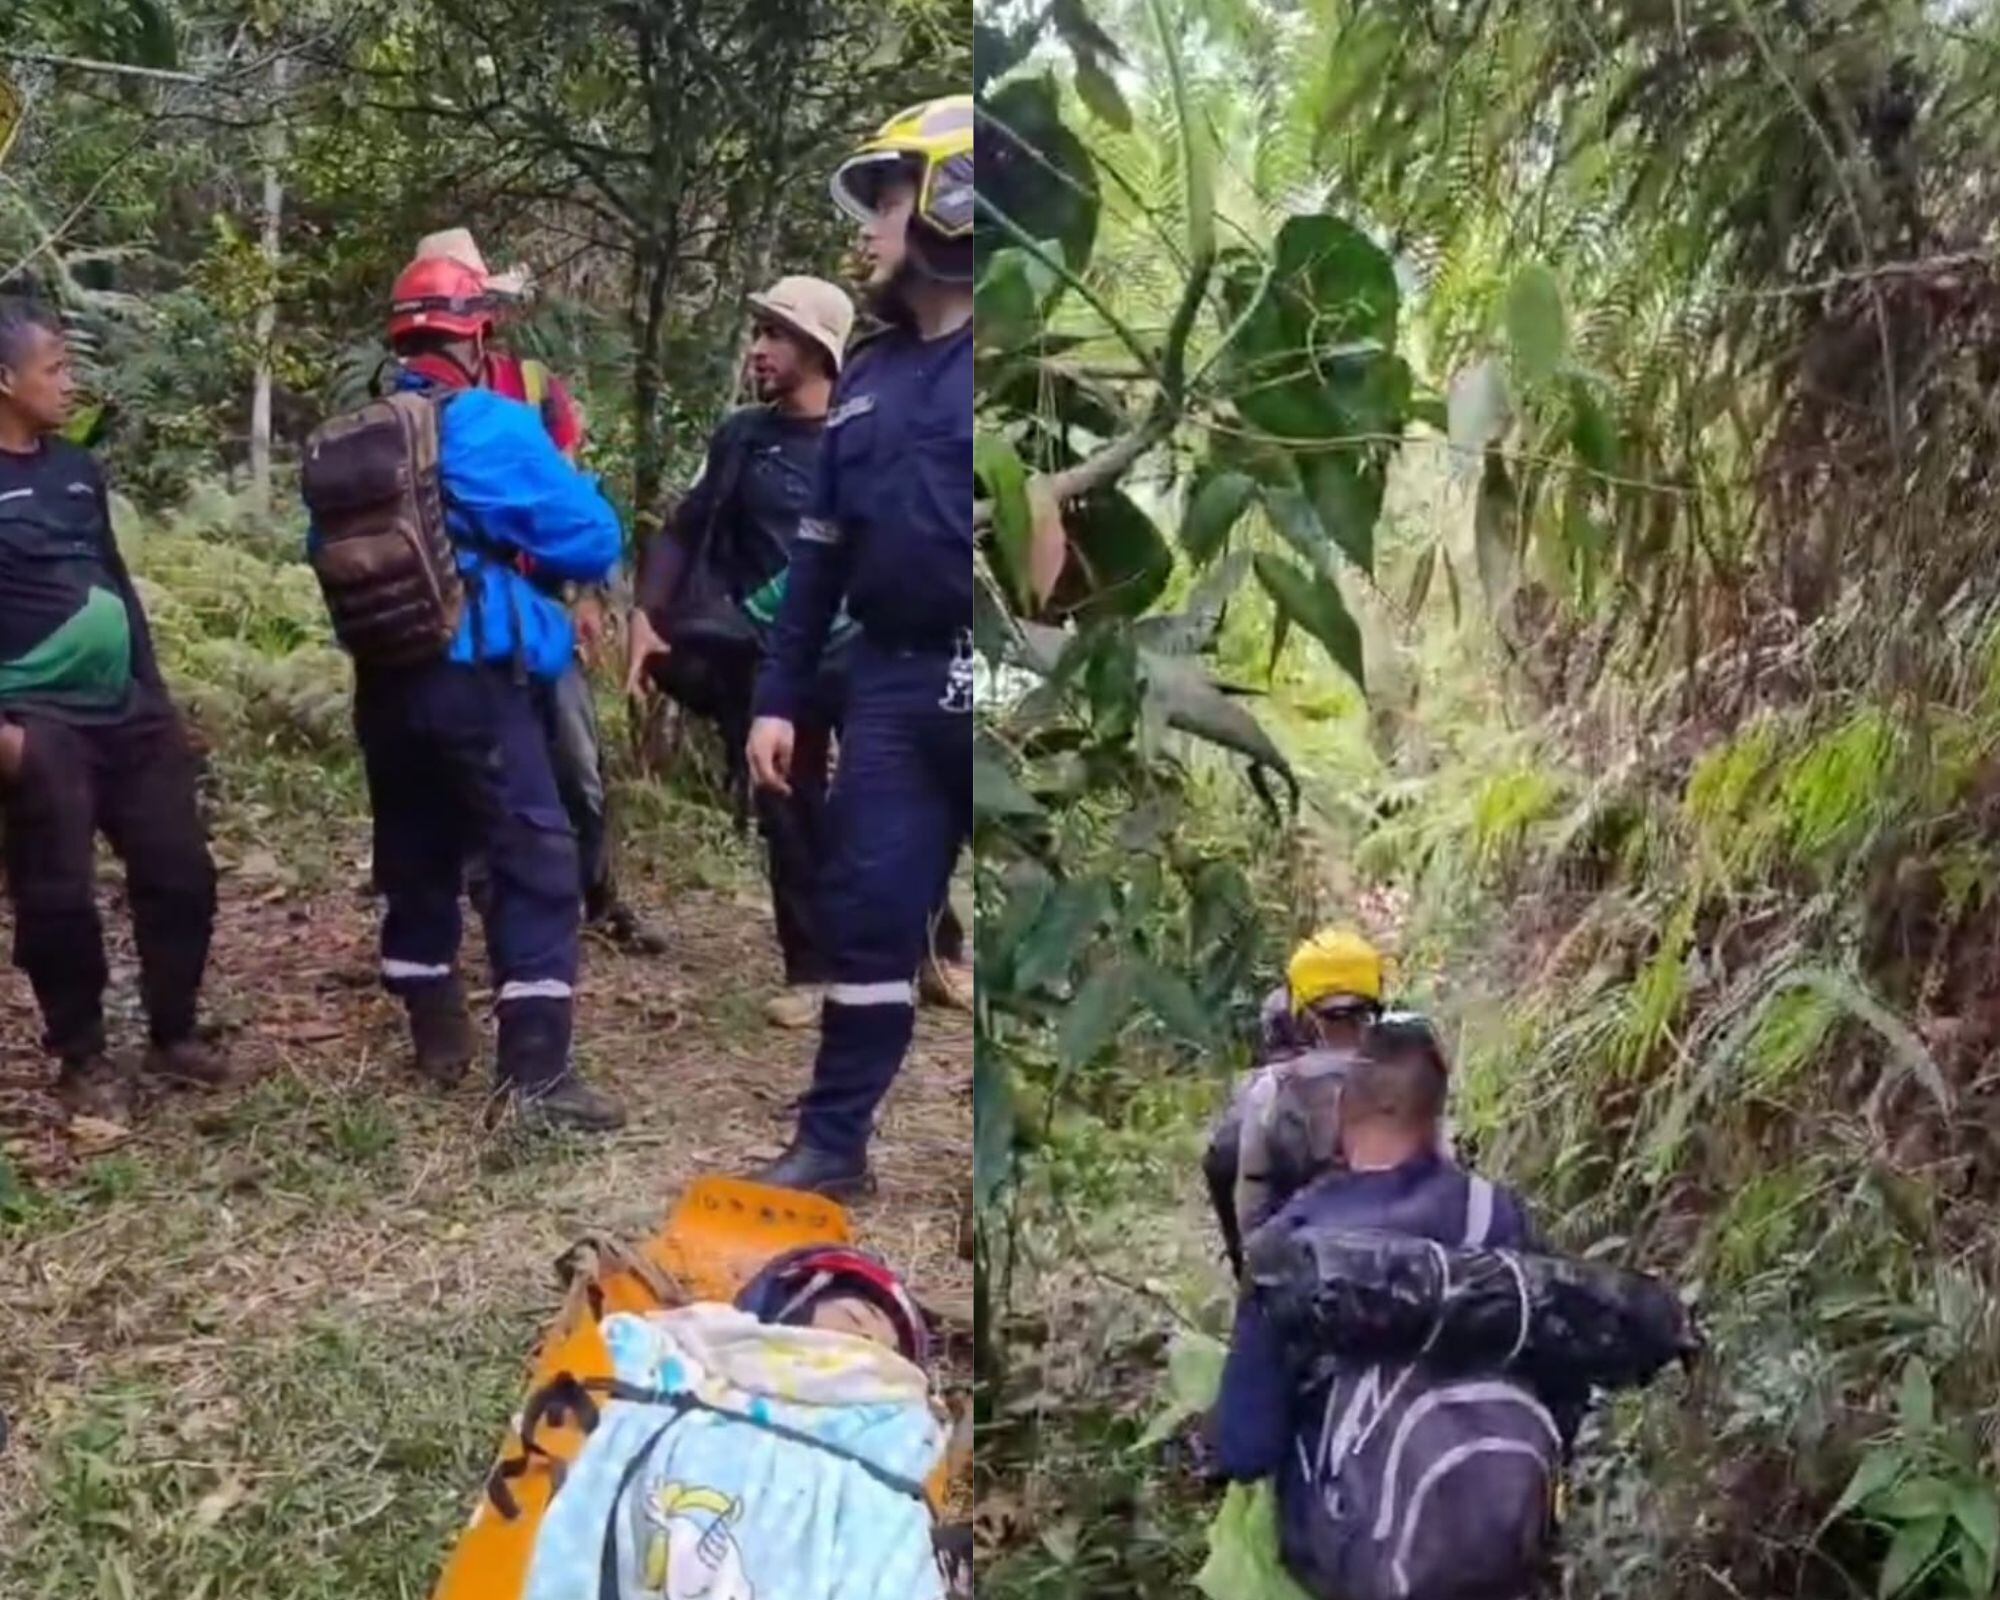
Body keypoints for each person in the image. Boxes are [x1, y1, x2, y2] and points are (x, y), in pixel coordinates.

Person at [313, 253, 625, 1129]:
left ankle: (436, 1034)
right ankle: (535, 1079)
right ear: (477, 330)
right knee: (534, 857)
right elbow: (589, 539)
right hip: (475, 678)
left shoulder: (350, 438)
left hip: (383, 679)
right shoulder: (483, 423)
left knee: (415, 851)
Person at [626, 275, 970, 1029]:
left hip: (871, 650)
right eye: (759, 333)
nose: (758, 349)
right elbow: (685, 528)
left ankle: (935, 951)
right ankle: (812, 969)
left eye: (776, 335)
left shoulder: (870, 428)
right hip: (773, 656)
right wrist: (649, 615)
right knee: (788, 804)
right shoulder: (742, 439)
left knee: (910, 800)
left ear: (820, 350)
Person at [744, 96, 974, 1197]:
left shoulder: (1013, 362)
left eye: (886, 199)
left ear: (951, 197)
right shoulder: (869, 376)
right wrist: (778, 696)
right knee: (868, 909)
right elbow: (818, 554)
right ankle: (834, 1144)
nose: (870, 227)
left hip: (998, 671)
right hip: (886, 676)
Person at [1208, 1020, 1555, 1591]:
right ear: (1437, 1116)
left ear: (1343, 1108)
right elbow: (1559, 1363)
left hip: (1362, 1552)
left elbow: (1248, 1448)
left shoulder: (1290, 1247)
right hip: (1505, 1525)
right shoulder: (1496, 1214)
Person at [412, 229, 666, 957]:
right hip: (456, 611)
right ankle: (502, 918)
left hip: (540, 602)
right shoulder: (412, 399)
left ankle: (593, 896)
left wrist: (587, 592)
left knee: (576, 763)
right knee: (481, 777)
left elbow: (571, 494)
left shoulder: (527, 386)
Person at [0, 296, 222, 1119]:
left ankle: (174, 1032)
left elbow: (118, 583)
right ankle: (82, 1053)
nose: (71, 381)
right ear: (4, 379)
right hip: (37, 718)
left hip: (124, 711)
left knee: (181, 870)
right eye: (54, 367)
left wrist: (155, 698)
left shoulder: (75, 469)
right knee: (56, 891)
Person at [1203, 927, 1387, 1276]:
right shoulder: (1408, 1074)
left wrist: (1246, 1272)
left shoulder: (1270, 1088)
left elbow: (1235, 1173)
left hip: (1300, 1279)